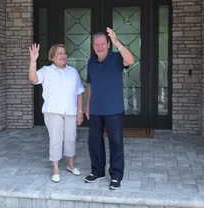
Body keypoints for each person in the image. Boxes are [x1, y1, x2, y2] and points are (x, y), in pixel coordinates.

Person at [84, 27, 134, 190]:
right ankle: (98, 171)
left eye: (103, 44)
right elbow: (90, 85)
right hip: (96, 109)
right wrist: (87, 106)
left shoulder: (116, 57)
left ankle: (116, 176)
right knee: (94, 142)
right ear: (93, 47)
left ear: (108, 44)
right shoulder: (91, 62)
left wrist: (117, 42)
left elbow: (131, 60)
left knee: (116, 142)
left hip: (114, 110)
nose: (100, 47)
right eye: (96, 44)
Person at [29, 43, 85, 183]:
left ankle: (70, 165)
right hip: (53, 111)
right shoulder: (46, 71)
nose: (63, 55)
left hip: (71, 111)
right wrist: (33, 61)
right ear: (52, 57)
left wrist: (80, 111)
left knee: (71, 138)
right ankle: (55, 168)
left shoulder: (73, 72)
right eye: (59, 53)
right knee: (56, 139)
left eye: (64, 53)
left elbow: (79, 92)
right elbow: (33, 79)